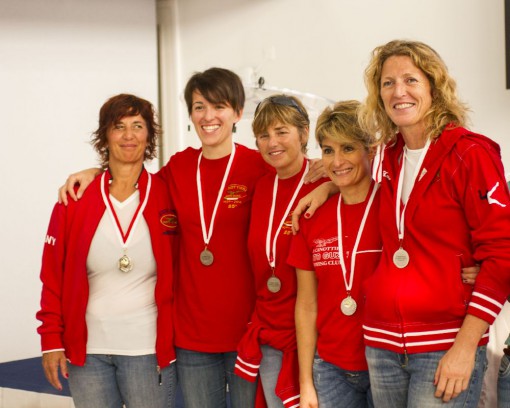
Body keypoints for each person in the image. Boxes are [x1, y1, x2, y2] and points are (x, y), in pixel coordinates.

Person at [57, 68, 323, 408]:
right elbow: (132, 177)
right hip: (192, 336)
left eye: (219, 106)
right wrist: (94, 172)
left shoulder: (259, 166)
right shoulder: (178, 169)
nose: (208, 116)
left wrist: (328, 176)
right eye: (199, 107)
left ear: (237, 113)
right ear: (191, 115)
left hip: (247, 331)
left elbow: (300, 171)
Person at [356, 39, 510, 407]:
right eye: (388, 83)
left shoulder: (470, 153)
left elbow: (503, 253)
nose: (399, 92)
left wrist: (465, 346)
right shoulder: (384, 157)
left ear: (433, 87)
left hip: (444, 344)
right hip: (381, 344)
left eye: (410, 80)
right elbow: (347, 179)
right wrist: (323, 186)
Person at [36, 94, 177, 408]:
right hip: (88, 354)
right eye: (119, 126)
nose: (128, 135)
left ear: (149, 136)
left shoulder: (169, 193)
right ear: (105, 136)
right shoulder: (75, 199)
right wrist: (51, 340)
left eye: (138, 126)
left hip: (147, 350)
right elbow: (52, 276)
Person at [233, 95, 327, 408]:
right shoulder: (261, 188)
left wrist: (330, 185)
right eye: (263, 135)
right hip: (271, 334)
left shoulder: (325, 181)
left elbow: (372, 178)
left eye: (281, 131)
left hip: (317, 338)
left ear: (303, 133)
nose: (272, 142)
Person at [288, 100, 378, 408]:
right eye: (328, 150)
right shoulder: (311, 216)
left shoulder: (393, 207)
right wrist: (306, 383)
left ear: (371, 149)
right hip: (330, 369)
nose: (337, 161)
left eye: (348, 148)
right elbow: (306, 306)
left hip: (387, 365)